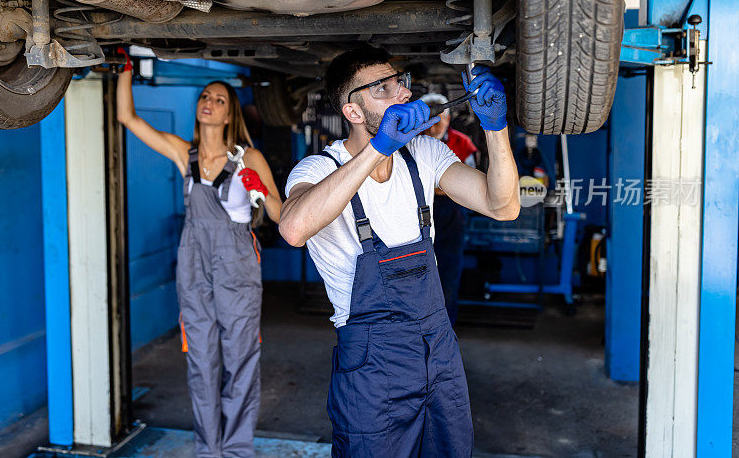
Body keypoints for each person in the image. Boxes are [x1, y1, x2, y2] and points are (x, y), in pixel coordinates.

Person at [279, 46, 519, 457]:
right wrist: (379, 148)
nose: (402, 94)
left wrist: (495, 128)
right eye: (383, 89)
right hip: (373, 362)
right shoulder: (316, 170)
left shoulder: (425, 154)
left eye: (400, 83)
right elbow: (294, 228)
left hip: (438, 347)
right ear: (353, 112)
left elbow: (504, 206)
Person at [115, 49, 282, 458]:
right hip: (193, 265)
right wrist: (124, 67)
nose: (209, 103)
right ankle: (209, 451)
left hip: (237, 265)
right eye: (205, 96)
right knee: (202, 361)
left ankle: (238, 450)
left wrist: (256, 186)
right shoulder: (183, 153)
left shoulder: (249, 156)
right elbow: (128, 118)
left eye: (219, 99)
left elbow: (281, 214)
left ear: (229, 115)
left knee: (240, 359)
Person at [422, 95, 479, 325]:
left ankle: (446, 325)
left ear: (447, 119)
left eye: (439, 119)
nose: (433, 126)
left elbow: (470, 182)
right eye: (428, 120)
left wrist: (437, 189)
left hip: (451, 214)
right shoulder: (411, 141)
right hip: (418, 213)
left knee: (448, 269)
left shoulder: (462, 142)